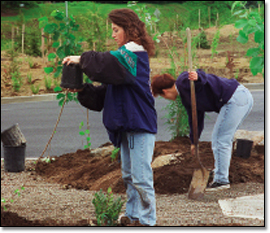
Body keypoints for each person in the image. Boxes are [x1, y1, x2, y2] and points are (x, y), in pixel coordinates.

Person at [62, 9, 157, 226]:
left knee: (141, 177)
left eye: (116, 30)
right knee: (129, 176)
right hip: (127, 125)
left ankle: (147, 221)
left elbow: (104, 63)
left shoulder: (134, 54)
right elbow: (106, 93)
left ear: (129, 29)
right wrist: (83, 90)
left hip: (139, 125)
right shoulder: (123, 59)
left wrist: (81, 58)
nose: (113, 35)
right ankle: (133, 217)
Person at [151, 70, 254, 191]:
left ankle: (221, 180)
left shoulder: (183, 81)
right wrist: (194, 141)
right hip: (241, 98)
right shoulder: (186, 97)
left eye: (163, 97)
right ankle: (220, 171)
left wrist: (198, 77)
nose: (167, 99)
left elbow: (200, 76)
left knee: (220, 138)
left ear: (165, 92)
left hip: (235, 99)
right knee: (223, 138)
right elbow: (195, 118)